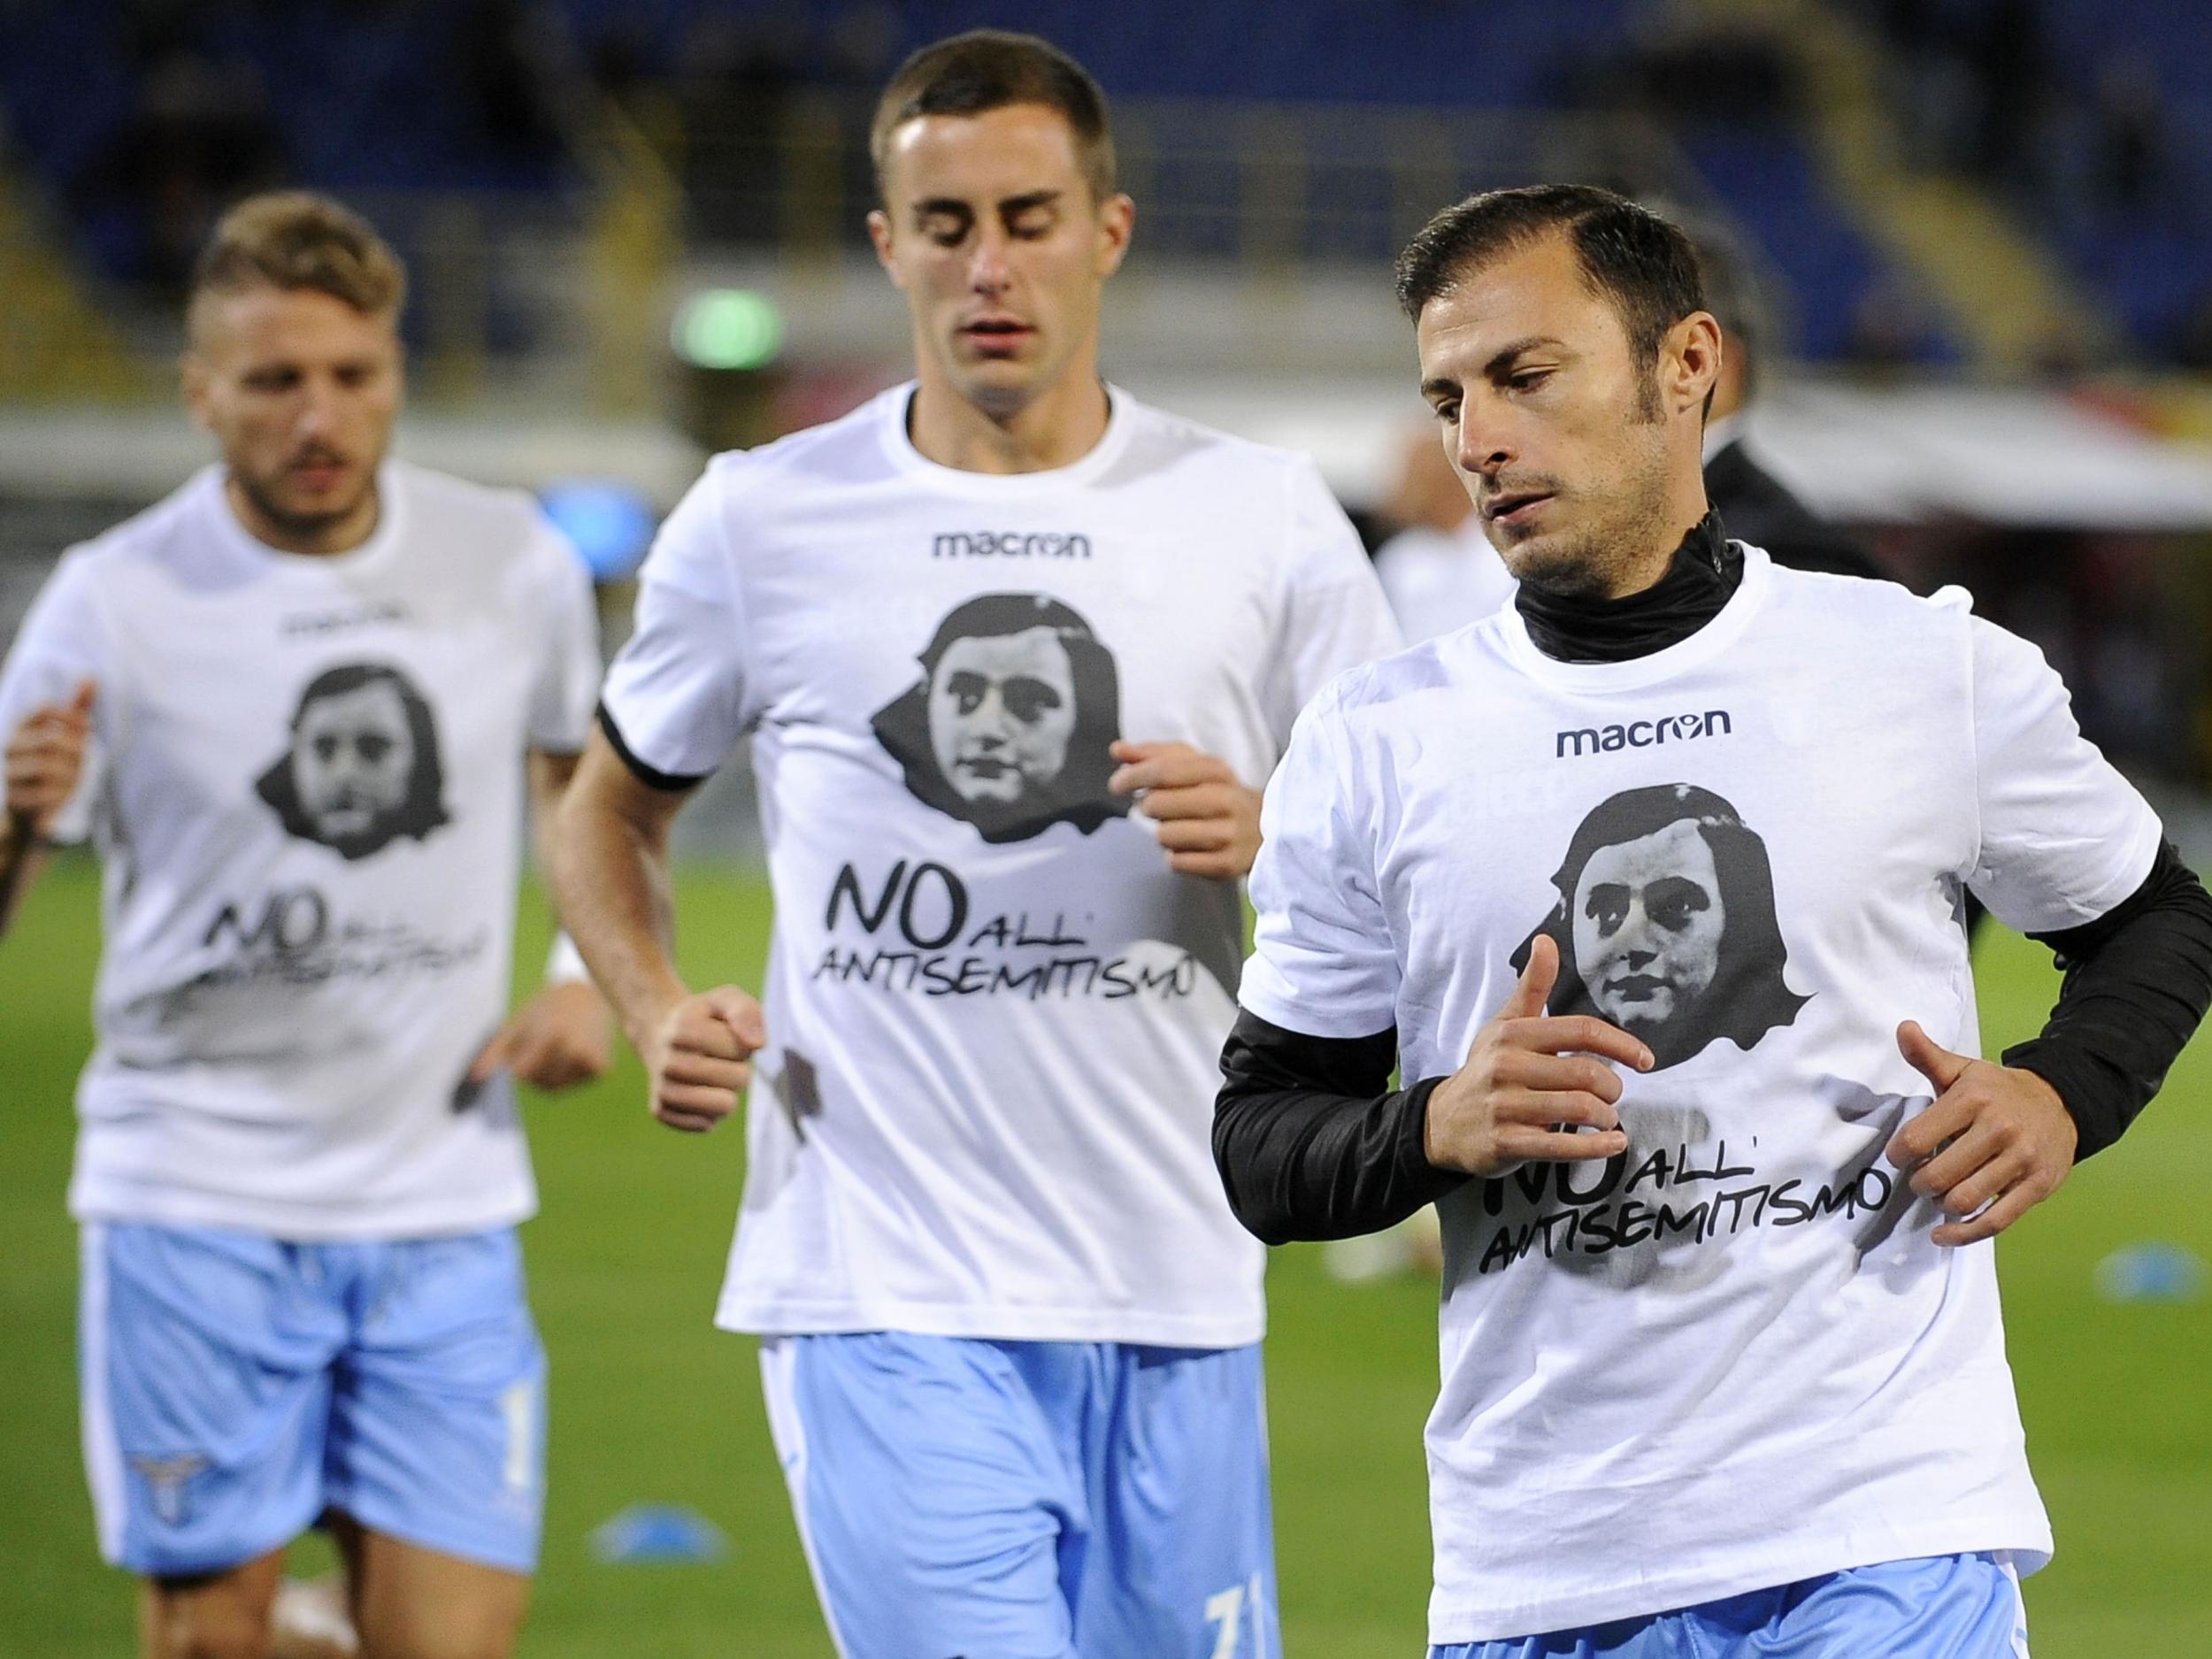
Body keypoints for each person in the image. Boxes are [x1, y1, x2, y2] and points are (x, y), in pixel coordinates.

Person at [1214, 184, 2212, 1655]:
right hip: (1543, 1567)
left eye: (1526, 377)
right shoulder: (1375, 743)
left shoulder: (1919, 665)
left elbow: (2154, 920)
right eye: (1449, 394)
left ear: (1689, 366)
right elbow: (1265, 1142)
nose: (1477, 438)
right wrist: (1433, 1124)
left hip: (1887, 1533)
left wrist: (2063, 1094)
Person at [553, 30, 1397, 1659]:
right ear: (888, 245)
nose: (988, 264)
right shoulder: (763, 519)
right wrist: (653, 1001)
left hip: (1181, 1278)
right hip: (882, 1287)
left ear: (1110, 231)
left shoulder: (1265, 517)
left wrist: (1274, 834)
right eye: (946, 226)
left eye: (1028, 215)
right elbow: (609, 800)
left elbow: (1409, 851)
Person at [0, 191, 609, 1659]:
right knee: (213, 1642)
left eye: (355, 374)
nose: (320, 415)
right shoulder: (115, 599)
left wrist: (586, 974)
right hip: (193, 1193)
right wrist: (18, 815)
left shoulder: (510, 561)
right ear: (204, 395)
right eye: (275, 381)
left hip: (440, 1198)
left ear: (397, 372)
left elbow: (584, 787)